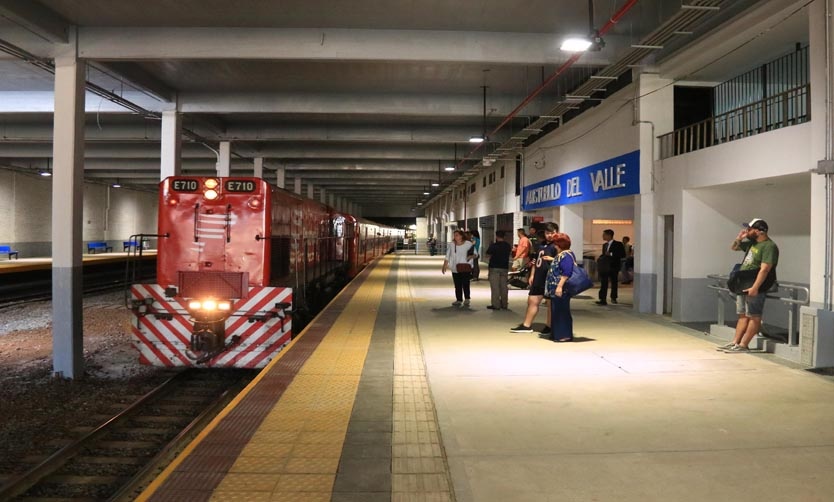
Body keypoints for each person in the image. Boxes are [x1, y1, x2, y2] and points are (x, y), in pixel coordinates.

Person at [720, 218, 779, 353]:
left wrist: (755, 287)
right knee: (742, 314)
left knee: (754, 315)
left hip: (756, 285)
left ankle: (744, 345)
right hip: (744, 283)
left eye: (750, 229)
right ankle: (736, 342)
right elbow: (734, 247)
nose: (747, 231)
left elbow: (765, 269)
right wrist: (739, 238)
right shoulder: (752, 243)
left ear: (760, 231)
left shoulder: (769, 246)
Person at [510, 222, 558, 333]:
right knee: (532, 300)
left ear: (556, 232)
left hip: (551, 278)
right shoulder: (541, 245)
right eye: (547, 233)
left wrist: (552, 259)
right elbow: (536, 261)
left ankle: (550, 326)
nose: (549, 235)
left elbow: (564, 260)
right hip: (538, 277)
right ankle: (526, 325)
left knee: (550, 303)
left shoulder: (558, 246)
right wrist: (532, 274)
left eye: (552, 233)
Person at [542, 232, 575, 342]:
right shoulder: (562, 255)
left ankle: (564, 335)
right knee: (556, 311)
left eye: (556, 244)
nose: (555, 246)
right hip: (556, 289)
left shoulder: (566, 255)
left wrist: (559, 286)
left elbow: (567, 272)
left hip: (561, 289)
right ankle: (557, 334)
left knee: (562, 312)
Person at [441, 229, 474, 307]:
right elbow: (447, 255)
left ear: (461, 236)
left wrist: (471, 256)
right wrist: (444, 265)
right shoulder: (452, 245)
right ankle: (459, 299)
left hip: (465, 267)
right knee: (457, 284)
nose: (455, 237)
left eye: (457, 235)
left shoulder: (468, 244)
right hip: (455, 268)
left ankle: (467, 298)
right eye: (454, 235)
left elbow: (475, 253)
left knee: (466, 283)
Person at [596, 229, 626, 305]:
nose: (603, 236)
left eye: (604, 235)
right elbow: (604, 255)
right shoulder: (604, 245)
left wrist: (611, 254)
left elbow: (622, 254)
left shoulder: (618, 244)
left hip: (614, 266)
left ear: (609, 235)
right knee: (604, 283)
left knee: (614, 283)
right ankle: (602, 299)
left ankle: (613, 297)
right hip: (605, 267)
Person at [485, 230, 512, 310]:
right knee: (504, 287)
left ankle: (496, 305)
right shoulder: (507, 246)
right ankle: (504, 304)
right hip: (504, 268)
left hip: (494, 267)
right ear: (504, 236)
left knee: (495, 287)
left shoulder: (493, 245)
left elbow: (487, 255)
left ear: (496, 236)